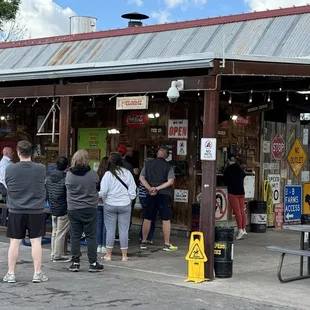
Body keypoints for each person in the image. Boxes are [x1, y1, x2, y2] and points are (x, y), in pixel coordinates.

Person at [3, 140, 48, 283]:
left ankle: (11, 274)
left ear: (18, 152)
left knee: (14, 243)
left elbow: (8, 186)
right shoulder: (41, 168)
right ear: (32, 152)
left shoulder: (10, 169)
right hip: (36, 209)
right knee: (36, 242)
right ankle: (37, 273)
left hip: (16, 209)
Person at [65, 150, 104, 272]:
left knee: (75, 236)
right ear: (87, 159)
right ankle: (92, 263)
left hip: (73, 208)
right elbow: (96, 187)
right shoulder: (92, 174)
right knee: (91, 236)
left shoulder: (69, 174)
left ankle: (75, 262)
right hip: (89, 208)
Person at [99, 152, 136, 262]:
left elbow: (103, 191)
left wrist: (105, 199)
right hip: (125, 204)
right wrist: (129, 199)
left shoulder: (107, 175)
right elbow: (133, 190)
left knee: (110, 230)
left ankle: (108, 255)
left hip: (110, 204)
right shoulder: (127, 173)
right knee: (124, 231)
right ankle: (124, 256)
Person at [139, 146, 178, 252]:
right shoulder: (168, 166)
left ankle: (144, 242)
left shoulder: (148, 164)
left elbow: (141, 178)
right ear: (166, 155)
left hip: (150, 194)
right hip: (164, 194)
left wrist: (150, 188)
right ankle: (166, 244)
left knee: (147, 218)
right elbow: (170, 181)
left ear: (157, 154)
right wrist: (158, 188)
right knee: (166, 219)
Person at [46, 157, 70, 263]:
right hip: (63, 208)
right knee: (61, 232)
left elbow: (47, 192)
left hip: (53, 207)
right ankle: (58, 254)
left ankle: (54, 252)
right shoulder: (66, 178)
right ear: (67, 167)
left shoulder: (48, 177)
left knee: (55, 231)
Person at [223, 154, 248, 240]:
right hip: (241, 191)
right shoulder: (239, 168)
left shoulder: (228, 170)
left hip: (233, 192)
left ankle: (240, 230)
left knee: (237, 212)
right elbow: (244, 175)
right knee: (242, 211)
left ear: (228, 161)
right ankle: (244, 229)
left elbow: (225, 181)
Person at [139, 158, 156, 243]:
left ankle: (143, 236)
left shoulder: (144, 172)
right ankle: (146, 237)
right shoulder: (148, 173)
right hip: (147, 196)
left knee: (146, 216)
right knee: (149, 217)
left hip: (142, 196)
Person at [97, 156, 108, 254]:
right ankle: (105, 245)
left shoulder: (96, 175)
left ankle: (98, 245)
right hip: (107, 202)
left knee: (98, 224)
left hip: (97, 203)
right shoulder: (110, 176)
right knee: (106, 225)